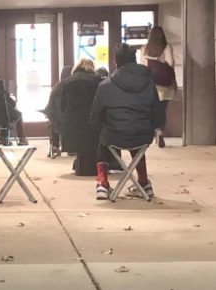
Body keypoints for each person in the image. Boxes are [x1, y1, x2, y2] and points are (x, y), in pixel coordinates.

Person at [90, 44, 163, 200]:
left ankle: (102, 183)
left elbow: (94, 117)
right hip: (142, 136)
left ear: (116, 62)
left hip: (113, 136)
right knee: (136, 134)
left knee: (104, 138)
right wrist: (152, 126)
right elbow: (157, 114)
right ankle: (143, 182)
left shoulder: (105, 85)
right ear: (135, 60)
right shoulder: (149, 83)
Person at [58, 59, 102, 175]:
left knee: (81, 147)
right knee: (92, 145)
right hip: (92, 122)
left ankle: (81, 166)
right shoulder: (98, 81)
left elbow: (63, 105)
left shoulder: (67, 82)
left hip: (73, 122)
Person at [137, 25, 175, 147]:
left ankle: (155, 130)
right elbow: (171, 63)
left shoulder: (145, 49)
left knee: (152, 109)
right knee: (162, 109)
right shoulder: (166, 47)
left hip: (150, 84)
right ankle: (160, 131)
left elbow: (142, 66)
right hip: (165, 85)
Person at [0, 70, 28, 146]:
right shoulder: (0, 90)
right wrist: (13, 99)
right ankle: (22, 139)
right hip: (3, 116)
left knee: (6, 113)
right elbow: (12, 103)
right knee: (18, 114)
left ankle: (2, 138)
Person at [42, 65, 73, 158]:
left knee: (55, 120)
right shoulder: (73, 87)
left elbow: (49, 107)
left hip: (57, 122)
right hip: (70, 121)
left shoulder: (56, 88)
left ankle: (55, 146)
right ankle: (71, 148)